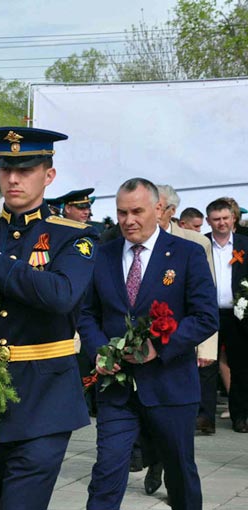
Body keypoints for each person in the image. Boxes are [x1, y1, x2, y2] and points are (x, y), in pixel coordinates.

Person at [0, 127, 98, 510]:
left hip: (45, 399)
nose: (14, 178)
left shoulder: (74, 237)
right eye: (6, 169)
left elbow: (61, 295)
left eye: (26, 169)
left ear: (48, 175)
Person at [79, 178, 218, 510]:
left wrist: (160, 347)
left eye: (137, 211)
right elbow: (86, 314)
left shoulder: (188, 254)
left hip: (170, 386)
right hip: (118, 390)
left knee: (180, 474)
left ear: (158, 209)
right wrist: (100, 349)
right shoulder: (103, 253)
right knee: (106, 473)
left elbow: (205, 316)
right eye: (122, 212)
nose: (129, 220)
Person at [206, 198, 248, 433]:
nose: (221, 223)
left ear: (233, 218)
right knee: (205, 366)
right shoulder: (201, 244)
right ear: (208, 221)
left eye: (225, 218)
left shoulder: (244, 244)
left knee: (240, 366)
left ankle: (241, 416)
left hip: (237, 315)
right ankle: (204, 418)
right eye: (216, 219)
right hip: (208, 314)